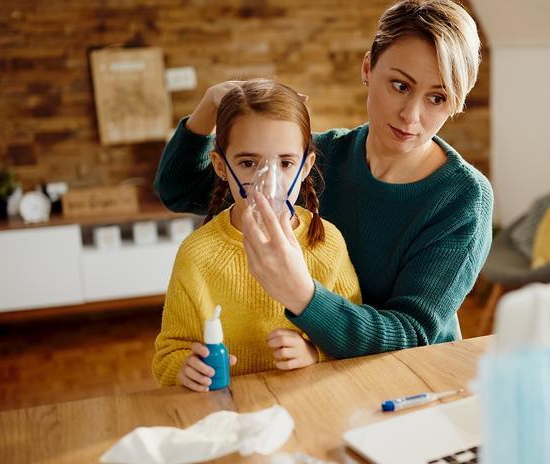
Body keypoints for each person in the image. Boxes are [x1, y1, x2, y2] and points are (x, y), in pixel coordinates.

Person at [155, 0, 492, 360]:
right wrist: (211, 105)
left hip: (409, 378)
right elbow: (181, 190)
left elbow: (412, 332)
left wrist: (302, 295)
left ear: (457, 102)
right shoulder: (315, 160)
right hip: (323, 372)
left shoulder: (463, 199)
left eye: (437, 98)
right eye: (399, 85)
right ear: (367, 68)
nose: (411, 115)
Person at [152, 79, 361, 391]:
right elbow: (169, 353)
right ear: (221, 166)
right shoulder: (197, 254)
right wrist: (184, 368)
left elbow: (352, 339)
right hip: (229, 409)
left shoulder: (326, 243)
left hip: (307, 403)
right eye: (249, 163)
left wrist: (314, 353)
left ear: (306, 167)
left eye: (286, 162)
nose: (269, 182)